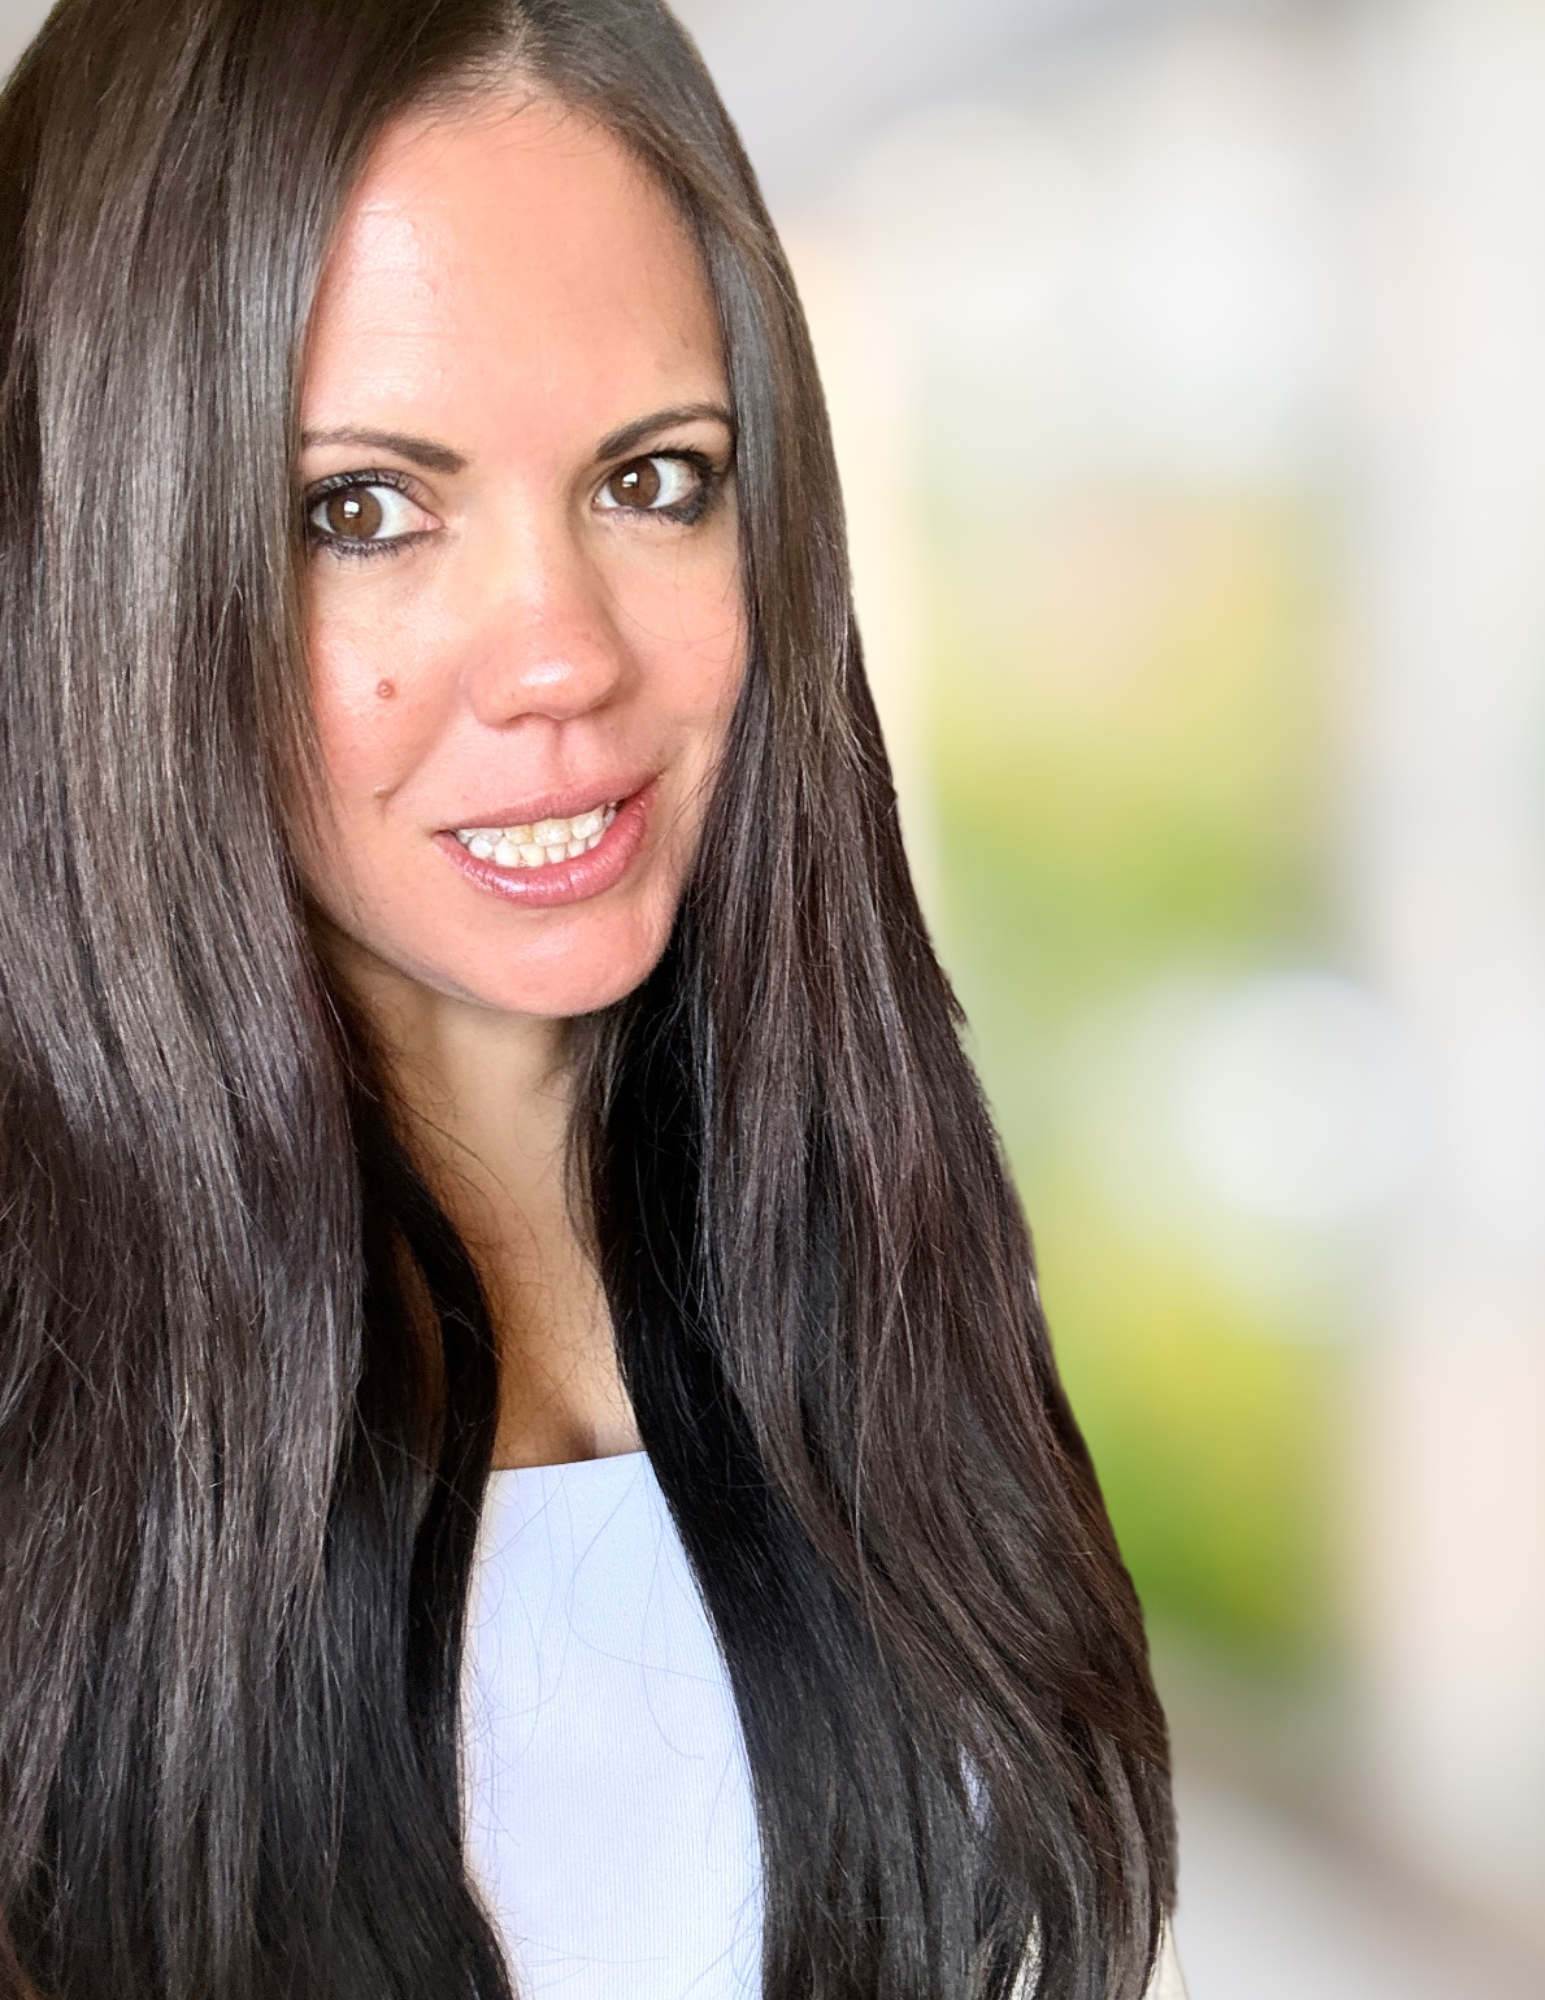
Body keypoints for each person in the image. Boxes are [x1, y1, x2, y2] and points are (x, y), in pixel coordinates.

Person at [0, 1, 1185, 1995]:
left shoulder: (861, 1281)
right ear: (101, 556)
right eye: (360, 508)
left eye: (654, 479)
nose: (560, 656)